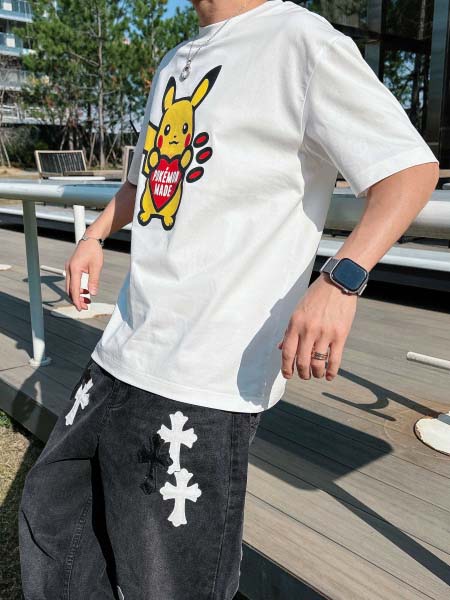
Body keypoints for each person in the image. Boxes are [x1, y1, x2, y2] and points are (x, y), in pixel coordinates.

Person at [18, 1, 439, 598]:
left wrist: (341, 279)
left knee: (169, 579)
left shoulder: (300, 41)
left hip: (209, 370)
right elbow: (144, 179)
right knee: (54, 517)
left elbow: (409, 170)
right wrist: (93, 236)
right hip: (124, 346)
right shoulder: (174, 60)